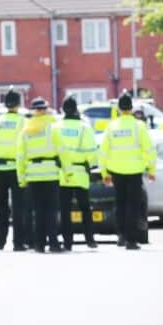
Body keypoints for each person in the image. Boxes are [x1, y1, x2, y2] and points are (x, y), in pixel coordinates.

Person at [100, 94, 155, 250]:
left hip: (116, 171)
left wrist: (104, 173)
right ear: (131, 109)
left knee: (120, 203)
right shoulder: (139, 126)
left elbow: (103, 152)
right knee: (133, 205)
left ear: (118, 109)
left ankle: (122, 236)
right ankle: (131, 240)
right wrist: (152, 169)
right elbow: (149, 149)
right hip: (135, 171)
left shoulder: (111, 127)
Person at [16, 97, 65, 253]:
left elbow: (20, 157)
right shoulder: (53, 127)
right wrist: (67, 172)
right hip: (50, 174)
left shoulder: (25, 131)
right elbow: (62, 151)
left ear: (32, 111)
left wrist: (21, 178)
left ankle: (39, 244)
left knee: (38, 211)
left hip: (33, 175)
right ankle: (53, 243)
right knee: (51, 210)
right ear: (45, 110)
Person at [0, 92, 28, 250]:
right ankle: (18, 243)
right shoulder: (23, 122)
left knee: (1, 207)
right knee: (18, 207)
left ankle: (0, 242)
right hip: (16, 169)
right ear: (18, 104)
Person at [55, 96, 98, 250]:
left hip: (62, 173)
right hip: (80, 173)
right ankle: (90, 240)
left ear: (63, 110)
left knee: (65, 210)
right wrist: (92, 165)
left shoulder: (56, 127)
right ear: (76, 109)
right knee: (85, 208)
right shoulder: (85, 128)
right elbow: (92, 152)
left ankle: (68, 243)